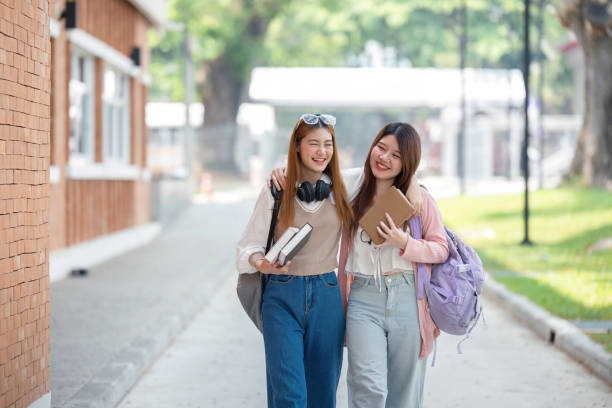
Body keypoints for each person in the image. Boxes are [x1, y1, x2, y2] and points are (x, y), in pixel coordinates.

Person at [270, 122, 449, 408]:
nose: (384, 158)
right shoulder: (350, 184)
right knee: (368, 386)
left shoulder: (419, 197)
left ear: (408, 163)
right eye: (381, 147)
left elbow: (441, 249)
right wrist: (284, 172)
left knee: (404, 392)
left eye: (396, 155)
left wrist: (405, 242)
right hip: (363, 296)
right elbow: (311, 178)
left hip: (407, 295)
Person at [236, 113, 354, 408]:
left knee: (323, 395)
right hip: (281, 296)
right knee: (290, 396)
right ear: (297, 146)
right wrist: (261, 263)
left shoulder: (343, 189)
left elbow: (390, 176)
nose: (321, 151)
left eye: (328, 144)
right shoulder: (276, 190)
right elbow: (247, 245)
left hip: (327, 296)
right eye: (313, 143)